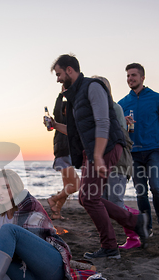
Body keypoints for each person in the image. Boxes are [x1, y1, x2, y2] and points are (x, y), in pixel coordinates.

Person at [49, 54, 149, 260]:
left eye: (59, 74)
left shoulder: (92, 87)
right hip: (94, 151)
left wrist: (97, 155)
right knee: (88, 198)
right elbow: (76, 130)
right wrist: (55, 125)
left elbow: (103, 122)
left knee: (89, 198)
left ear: (70, 70)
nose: (58, 79)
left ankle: (111, 246)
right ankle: (134, 223)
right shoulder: (76, 97)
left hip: (105, 148)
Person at [118, 63, 159, 238]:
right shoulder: (122, 103)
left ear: (143, 77)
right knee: (141, 191)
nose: (130, 79)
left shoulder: (157, 98)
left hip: (153, 151)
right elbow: (116, 128)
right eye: (128, 76)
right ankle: (147, 227)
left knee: (156, 188)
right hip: (133, 154)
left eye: (134, 75)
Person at [92, 76, 141, 250]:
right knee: (104, 202)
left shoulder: (114, 108)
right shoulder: (98, 110)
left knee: (115, 202)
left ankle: (135, 234)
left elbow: (121, 140)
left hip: (118, 163)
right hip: (105, 164)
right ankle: (136, 218)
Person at [45, 89, 80, 220]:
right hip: (62, 155)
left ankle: (56, 213)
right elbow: (56, 110)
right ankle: (53, 199)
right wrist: (61, 94)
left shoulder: (72, 124)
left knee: (67, 187)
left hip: (68, 156)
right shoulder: (61, 120)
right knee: (76, 185)